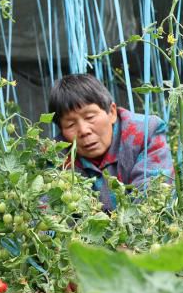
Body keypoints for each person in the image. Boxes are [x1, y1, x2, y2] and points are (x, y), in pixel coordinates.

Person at [48, 73, 174, 211]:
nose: (83, 131)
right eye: (71, 125)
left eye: (90, 117)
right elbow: (48, 212)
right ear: (61, 130)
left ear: (112, 112)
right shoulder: (54, 156)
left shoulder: (146, 132)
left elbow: (152, 199)